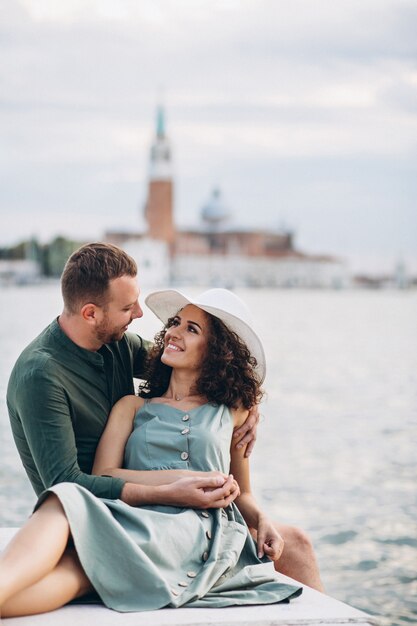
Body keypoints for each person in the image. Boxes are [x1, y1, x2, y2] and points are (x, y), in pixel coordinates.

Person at [6, 243, 323, 590]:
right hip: (93, 516)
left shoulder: (116, 344)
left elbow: (196, 363)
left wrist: (248, 403)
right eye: (128, 307)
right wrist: (174, 490)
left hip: (177, 515)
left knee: (296, 545)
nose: (140, 315)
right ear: (90, 314)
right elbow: (65, 485)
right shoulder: (41, 374)